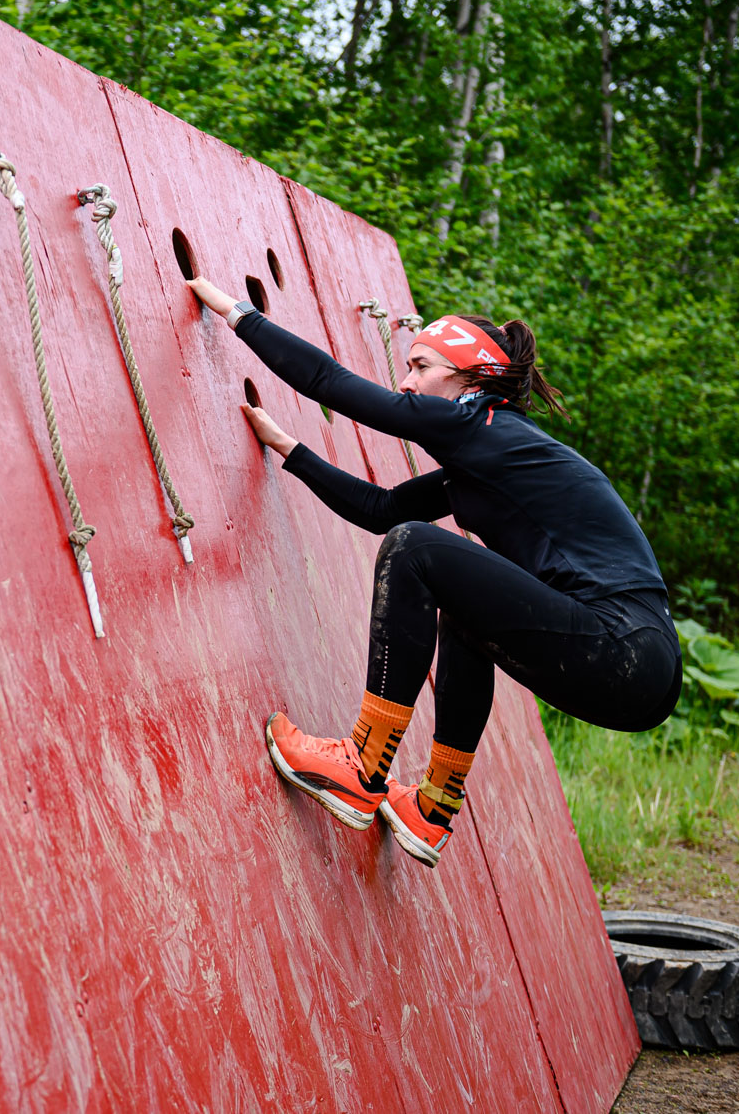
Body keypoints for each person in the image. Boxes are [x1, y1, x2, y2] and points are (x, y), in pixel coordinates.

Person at [185, 277, 680, 867]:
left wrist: (235, 312)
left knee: (417, 549)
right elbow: (379, 510)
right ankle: (433, 808)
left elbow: (331, 385)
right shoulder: (481, 459)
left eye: (420, 367)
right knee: (462, 603)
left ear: (471, 380)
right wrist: (292, 452)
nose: (405, 382)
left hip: (623, 646)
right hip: (639, 670)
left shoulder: (484, 427)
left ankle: (362, 765)